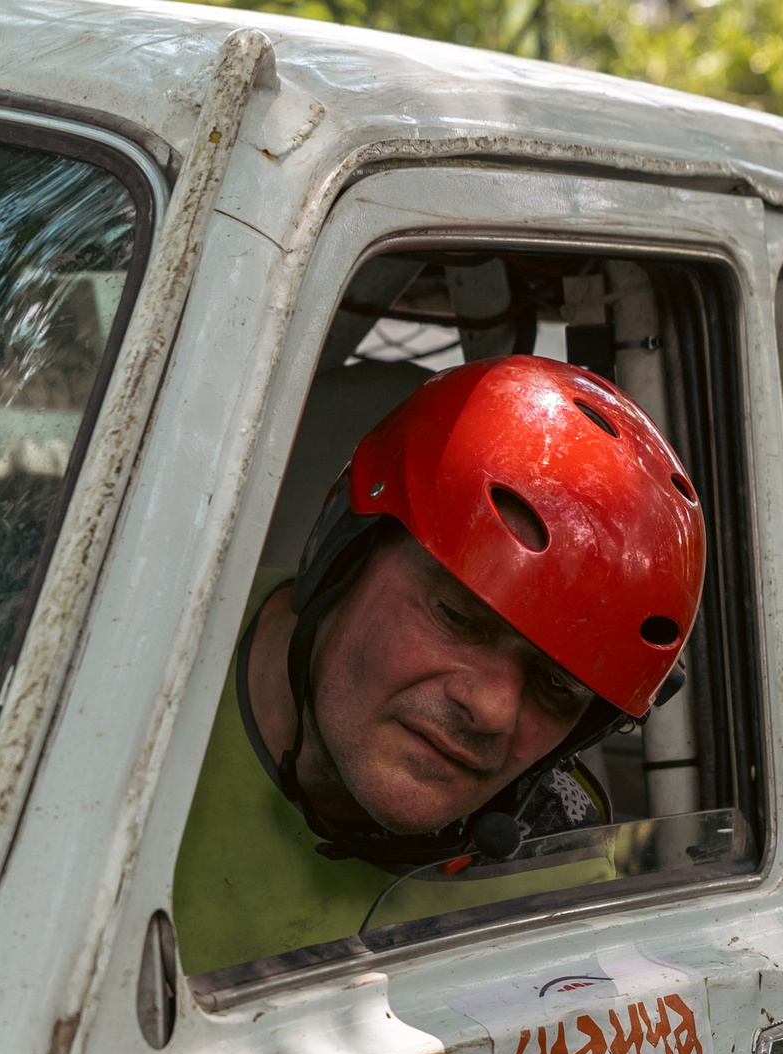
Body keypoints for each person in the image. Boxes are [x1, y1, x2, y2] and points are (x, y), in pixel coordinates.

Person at [171, 354, 706, 976]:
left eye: (556, 687)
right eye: (457, 619)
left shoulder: (549, 866)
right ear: (339, 556)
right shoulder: (137, 661)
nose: (493, 710)